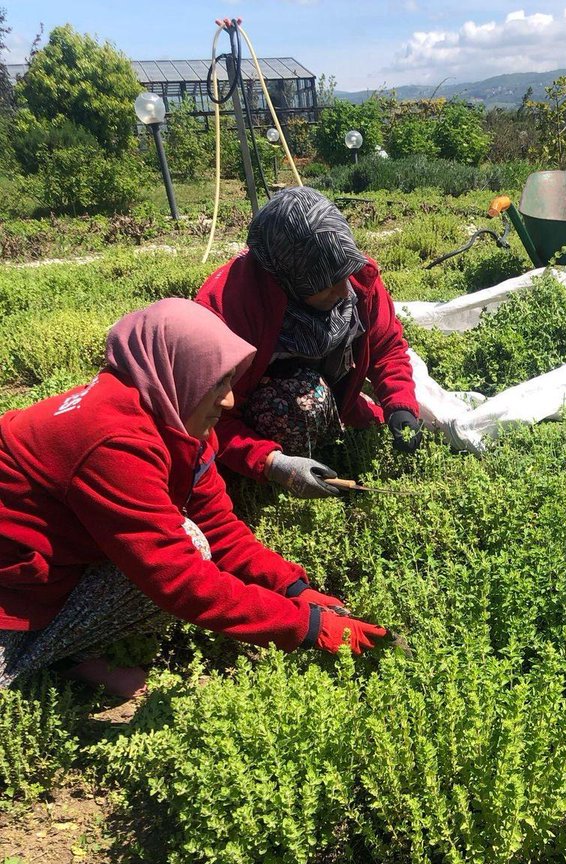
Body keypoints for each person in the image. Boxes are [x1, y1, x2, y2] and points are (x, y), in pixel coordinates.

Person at [0, 299, 388, 699]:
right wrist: (305, 627)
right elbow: (178, 580)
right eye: (216, 382)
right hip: (13, 580)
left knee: (192, 537)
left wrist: (292, 588)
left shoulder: (176, 413)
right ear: (176, 369)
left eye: (229, 381)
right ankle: (54, 655)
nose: (230, 401)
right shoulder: (113, 442)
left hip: (58, 559)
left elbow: (218, 527)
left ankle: (68, 651)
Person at [195, 185, 422, 498]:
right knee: (298, 404)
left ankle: (331, 427)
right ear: (287, 278)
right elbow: (206, 415)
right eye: (327, 285)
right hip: (263, 414)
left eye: (346, 273)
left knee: (314, 398)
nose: (345, 290)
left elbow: (387, 347)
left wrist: (400, 404)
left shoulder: (354, 275)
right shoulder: (229, 308)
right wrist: (271, 462)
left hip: (333, 400)